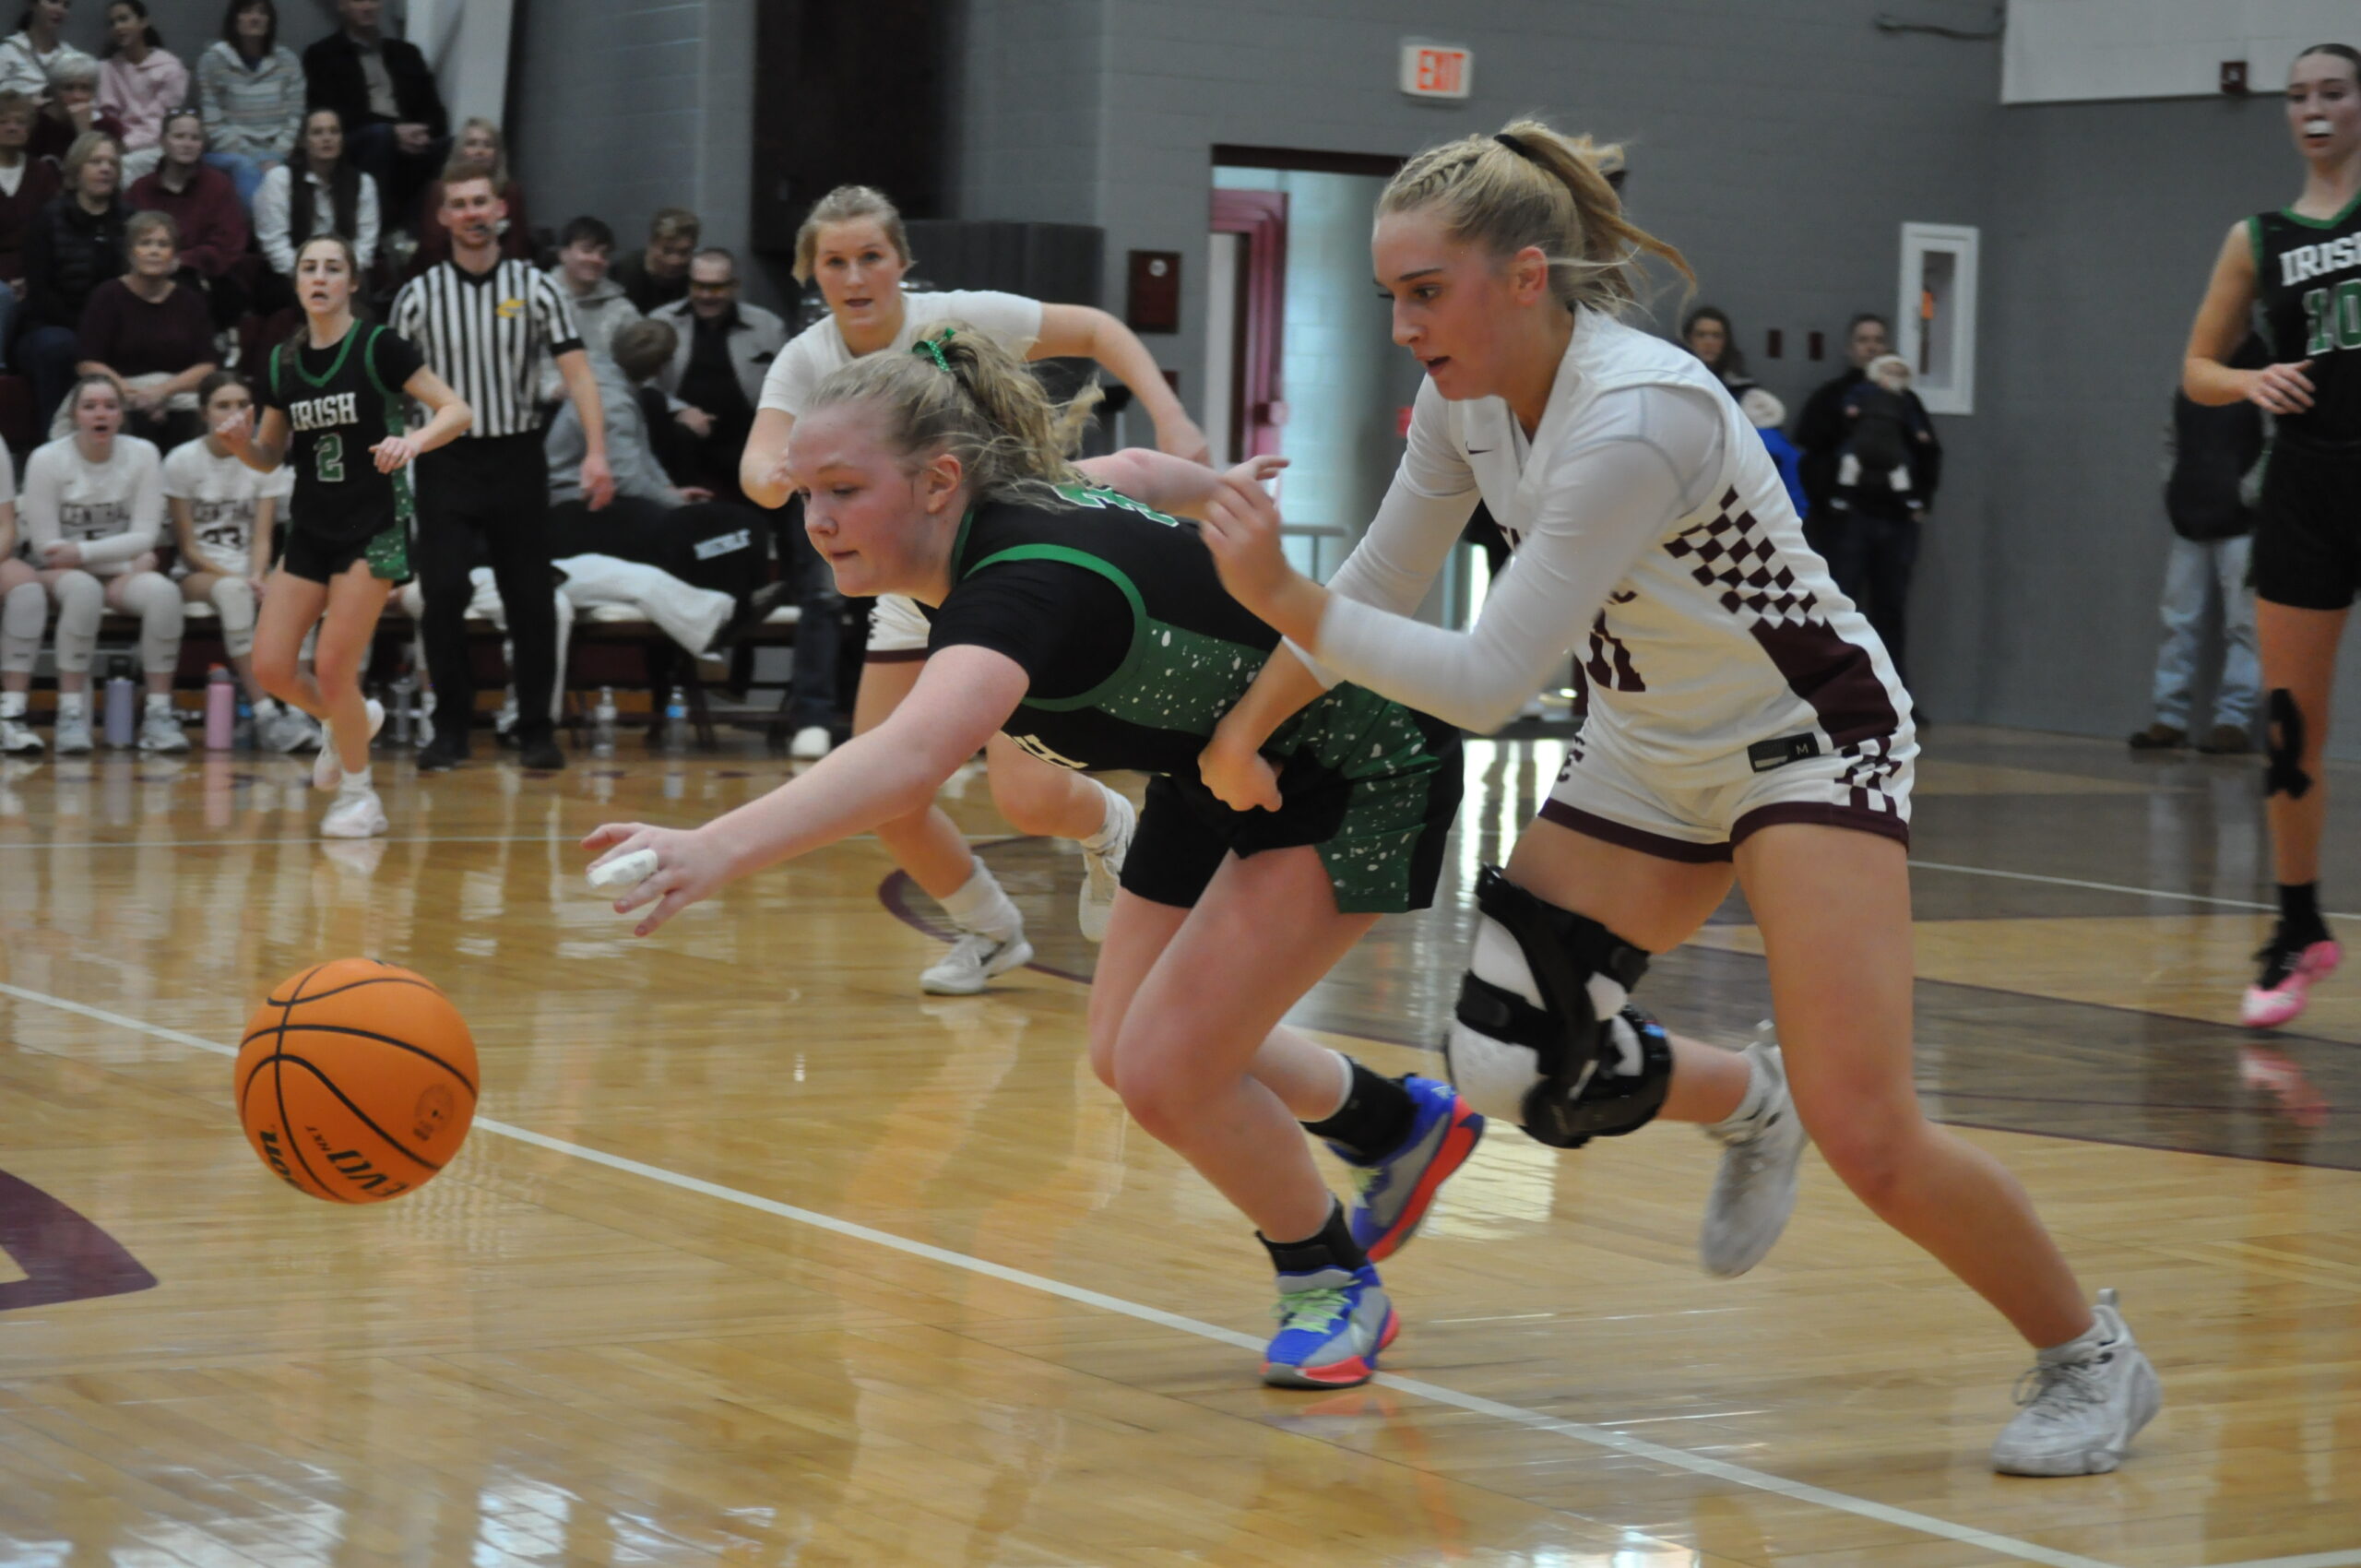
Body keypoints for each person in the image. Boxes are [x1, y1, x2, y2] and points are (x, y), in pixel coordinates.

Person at [1189, 118, 2160, 1476]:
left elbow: (1486, 675)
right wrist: (1247, 726)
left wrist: (1278, 601)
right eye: (1389, 297)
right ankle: (1743, 1104)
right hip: (1646, 748)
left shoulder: (1641, 409)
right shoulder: (1464, 402)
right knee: (1509, 1067)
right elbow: (1372, 587)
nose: (1406, 325)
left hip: (1806, 736)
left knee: (1872, 1133)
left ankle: (2090, 1357)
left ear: (1526, 277)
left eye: (1426, 292)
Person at [589, 322, 1468, 1389]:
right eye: (806, 493)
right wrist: (1220, 485)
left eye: (843, 490)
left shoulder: (1021, 581)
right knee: (1126, 1050)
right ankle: (1392, 1119)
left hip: (1356, 758)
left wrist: (713, 846)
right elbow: (1139, 469)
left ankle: (1330, 1279)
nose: (816, 520)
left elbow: (910, 756)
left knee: (1166, 1067)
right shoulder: (1012, 497)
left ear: (937, 480)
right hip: (1219, 756)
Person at [740, 183, 1207, 991]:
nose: (854, 276)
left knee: (1026, 797)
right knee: (882, 781)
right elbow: (755, 465)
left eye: (870, 257)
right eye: (835, 261)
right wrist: (778, 475)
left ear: (902, 263)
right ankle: (988, 929)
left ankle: (1109, 825)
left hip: (1002, 561)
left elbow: (1096, 329)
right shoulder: (807, 357)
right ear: (811, 274)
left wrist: (1173, 418)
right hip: (905, 580)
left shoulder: (957, 318)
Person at [2181, 42, 2361, 1028]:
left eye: (2332, 91)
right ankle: (2298, 926)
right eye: (2298, 96)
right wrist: (2250, 380)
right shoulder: (2259, 235)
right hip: (2303, 488)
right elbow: (2196, 367)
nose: (2313, 109)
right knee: (2290, 729)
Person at [219, 232, 470, 837]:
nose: (320, 276)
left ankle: (361, 797)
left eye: (334, 267)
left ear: (352, 283)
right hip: (311, 525)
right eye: (310, 267)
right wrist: (239, 446)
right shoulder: (282, 361)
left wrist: (411, 441)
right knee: (273, 667)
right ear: (297, 281)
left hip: (374, 525)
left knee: (335, 667)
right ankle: (347, 720)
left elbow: (456, 411)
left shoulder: (380, 346)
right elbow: (272, 455)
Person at [389, 166, 612, 774]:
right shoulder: (419, 294)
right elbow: (387, 382)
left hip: (517, 454)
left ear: (501, 211)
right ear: (443, 218)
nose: (471, 212)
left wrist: (596, 451)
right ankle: (451, 728)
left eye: (480, 201)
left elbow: (579, 373)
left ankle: (536, 728)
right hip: (445, 459)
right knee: (443, 593)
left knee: (530, 598)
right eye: (458, 203)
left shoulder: (535, 287)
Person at [10, 373, 184, 753]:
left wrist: (88, 555)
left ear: (122, 415)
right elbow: (46, 548)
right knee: (85, 590)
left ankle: (158, 714)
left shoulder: (143, 454)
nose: (100, 414)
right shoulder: (47, 459)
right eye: (90, 407)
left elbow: (146, 535)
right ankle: (70, 715)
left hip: (106, 571)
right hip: (64, 576)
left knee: (164, 595)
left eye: (109, 406)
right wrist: (125, 560)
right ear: (75, 415)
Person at [2131, 338, 2270, 755]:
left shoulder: (2263, 372)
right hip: (2190, 518)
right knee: (2178, 620)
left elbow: (2274, 442)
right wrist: (2171, 487)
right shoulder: (2190, 372)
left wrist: (2249, 493)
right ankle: (2169, 718)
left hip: (2242, 526)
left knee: (2244, 626)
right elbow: (2172, 437)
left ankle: (2233, 721)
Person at [167, 369, 313, 751]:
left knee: (298, 591)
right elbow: (188, 549)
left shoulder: (263, 458)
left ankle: (299, 709)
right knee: (233, 592)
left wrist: (258, 576)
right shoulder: (182, 461)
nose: (233, 413)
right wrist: (242, 578)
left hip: (250, 569)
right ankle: (265, 714)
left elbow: (263, 538)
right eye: (222, 406)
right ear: (203, 413)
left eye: (242, 405)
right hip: (200, 574)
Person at [1822, 352, 1938, 686]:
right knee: (1841, 605)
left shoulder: (1908, 403)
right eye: (1862, 340)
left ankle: (1892, 695)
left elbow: (1928, 453)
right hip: (1850, 521)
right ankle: (1835, 693)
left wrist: (1918, 501)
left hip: (1896, 521)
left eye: (1877, 340)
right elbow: (1817, 443)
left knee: (1890, 609)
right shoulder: (1840, 395)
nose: (1870, 347)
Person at [650, 246, 785, 495]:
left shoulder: (767, 326)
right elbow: (642, 384)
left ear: (734, 286)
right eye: (698, 286)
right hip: (682, 434)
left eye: (716, 287)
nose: (705, 295)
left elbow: (788, 386)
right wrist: (678, 410)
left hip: (747, 435)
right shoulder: (661, 322)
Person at [74, 210, 215, 447]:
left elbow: (207, 365)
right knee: (127, 419)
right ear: (130, 253)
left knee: (200, 416)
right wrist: (135, 395)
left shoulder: (190, 300)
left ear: (174, 256)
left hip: (176, 394)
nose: (154, 251)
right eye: (145, 243)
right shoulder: (107, 296)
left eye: (163, 244)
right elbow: (87, 362)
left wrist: (162, 392)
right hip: (121, 393)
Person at [20, 129, 128, 434]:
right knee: (60, 346)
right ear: (76, 169)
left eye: (112, 163)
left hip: (114, 327)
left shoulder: (130, 219)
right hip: (54, 326)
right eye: (96, 161)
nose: (105, 168)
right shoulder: (47, 219)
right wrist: (89, 331)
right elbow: (40, 294)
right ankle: (54, 444)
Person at [301, 0, 445, 223]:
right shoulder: (323, 54)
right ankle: (375, 232)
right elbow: (330, 114)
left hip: (412, 137)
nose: (367, 6)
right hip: (359, 140)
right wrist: (394, 132)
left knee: (459, 146)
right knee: (381, 136)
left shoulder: (406, 53)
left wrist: (423, 131)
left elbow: (435, 110)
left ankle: (424, 237)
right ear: (342, 5)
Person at [128, 109, 256, 327]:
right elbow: (128, 241)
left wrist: (183, 261)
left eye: (194, 138)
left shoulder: (219, 186)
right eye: (179, 136)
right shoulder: (141, 189)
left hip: (207, 280)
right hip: (149, 275)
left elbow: (229, 243)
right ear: (163, 141)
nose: (187, 144)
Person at [196, 0, 303, 209]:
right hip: (230, 152)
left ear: (270, 20)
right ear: (235, 19)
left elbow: (296, 117)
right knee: (244, 167)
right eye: (247, 12)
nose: (255, 18)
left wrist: (277, 154)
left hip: (278, 151)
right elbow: (212, 123)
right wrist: (253, 158)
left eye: (262, 12)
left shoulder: (288, 61)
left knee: (277, 174)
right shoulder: (212, 61)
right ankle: (256, 238)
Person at [254, 106, 378, 287]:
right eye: (317, 132)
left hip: (344, 279)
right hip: (291, 278)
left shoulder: (363, 183)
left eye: (334, 132)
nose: (327, 139)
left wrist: (340, 276)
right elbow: (275, 246)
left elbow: (365, 245)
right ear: (303, 141)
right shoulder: (280, 179)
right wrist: (311, 277)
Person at [405, 115, 528, 278]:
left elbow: (517, 248)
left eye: (488, 145)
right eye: (472, 144)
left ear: (497, 154)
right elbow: (432, 248)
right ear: (459, 151)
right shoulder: (440, 189)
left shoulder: (511, 191)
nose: (480, 151)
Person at [0, 89, 62, 365]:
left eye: (20, 121)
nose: (13, 127)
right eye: (3, 121)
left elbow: (54, 232)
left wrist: (30, 277)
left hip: (35, 273)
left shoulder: (43, 174)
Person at [94, 0, 183, 184]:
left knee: (121, 167)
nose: (118, 27)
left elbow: (162, 122)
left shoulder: (170, 68)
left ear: (143, 22)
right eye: (113, 23)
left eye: (124, 19)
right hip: (116, 145)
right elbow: (107, 115)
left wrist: (127, 145)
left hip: (157, 145)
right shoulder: (107, 68)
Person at [543, 213, 638, 380]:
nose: (596, 259)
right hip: (544, 400)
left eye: (604, 254)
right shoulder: (538, 298)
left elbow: (641, 363)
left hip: (607, 396)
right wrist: (553, 389)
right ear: (563, 254)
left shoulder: (621, 309)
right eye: (587, 250)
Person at [0, 0, 91, 100]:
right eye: (53, 1)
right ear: (33, 4)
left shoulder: (72, 57)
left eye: (66, 5)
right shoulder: (8, 51)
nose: (60, 10)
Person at [612, 205, 694, 315]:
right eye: (667, 251)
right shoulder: (626, 272)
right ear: (652, 244)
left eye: (684, 252)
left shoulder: (696, 274)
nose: (675, 261)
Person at [1681, 303, 1751, 393]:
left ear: (1726, 341)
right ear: (1689, 340)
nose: (1709, 343)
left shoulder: (1743, 391)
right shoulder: (1674, 381)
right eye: (1701, 335)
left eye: (1716, 336)